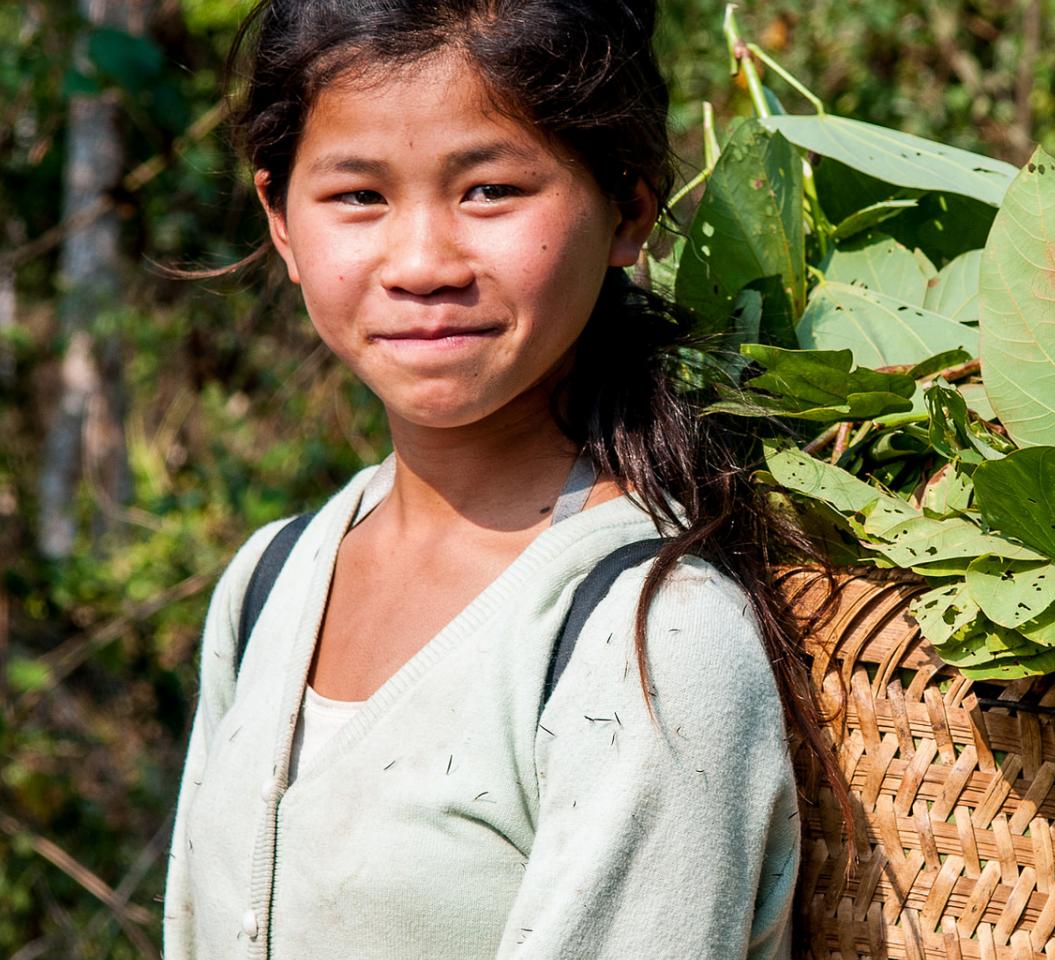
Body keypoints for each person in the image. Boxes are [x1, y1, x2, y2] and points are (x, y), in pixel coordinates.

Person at [161, 2, 852, 957]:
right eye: (359, 195)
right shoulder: (270, 580)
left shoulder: (651, 639)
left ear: (630, 208)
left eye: (489, 190)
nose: (421, 264)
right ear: (279, 218)